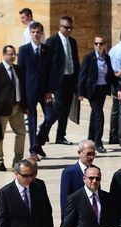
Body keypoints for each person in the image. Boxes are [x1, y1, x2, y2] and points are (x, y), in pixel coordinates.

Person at [0, 45, 27, 172]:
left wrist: (25, 106)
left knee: (21, 133)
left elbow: (23, 88)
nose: (13, 57)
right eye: (10, 54)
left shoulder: (18, 69)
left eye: (14, 54)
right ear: (3, 55)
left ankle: (18, 160)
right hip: (2, 110)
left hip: (17, 108)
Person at [42, 16, 80, 146]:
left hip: (70, 79)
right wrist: (48, 86)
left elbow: (75, 61)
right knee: (58, 107)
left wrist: (77, 81)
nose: (68, 30)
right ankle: (44, 130)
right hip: (58, 81)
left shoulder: (72, 42)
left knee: (66, 109)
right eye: (66, 27)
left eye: (70, 28)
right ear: (60, 27)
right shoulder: (52, 41)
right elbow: (46, 64)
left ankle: (60, 135)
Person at [17, 21, 50, 159]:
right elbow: (20, 73)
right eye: (33, 32)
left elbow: (50, 72)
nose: (36, 34)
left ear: (42, 33)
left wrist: (49, 91)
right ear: (30, 33)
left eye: (38, 32)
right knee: (32, 121)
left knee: (50, 116)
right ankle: (33, 150)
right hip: (30, 91)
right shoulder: (24, 50)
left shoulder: (46, 50)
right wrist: (22, 95)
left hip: (44, 91)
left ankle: (39, 140)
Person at [78, 36, 115, 153]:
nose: (98, 45)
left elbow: (111, 74)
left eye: (101, 43)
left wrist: (117, 89)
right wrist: (80, 92)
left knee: (95, 114)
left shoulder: (107, 58)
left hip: (102, 90)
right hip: (92, 91)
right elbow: (82, 75)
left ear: (105, 45)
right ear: (94, 45)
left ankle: (91, 139)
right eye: (96, 43)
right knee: (99, 115)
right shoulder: (89, 57)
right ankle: (98, 143)